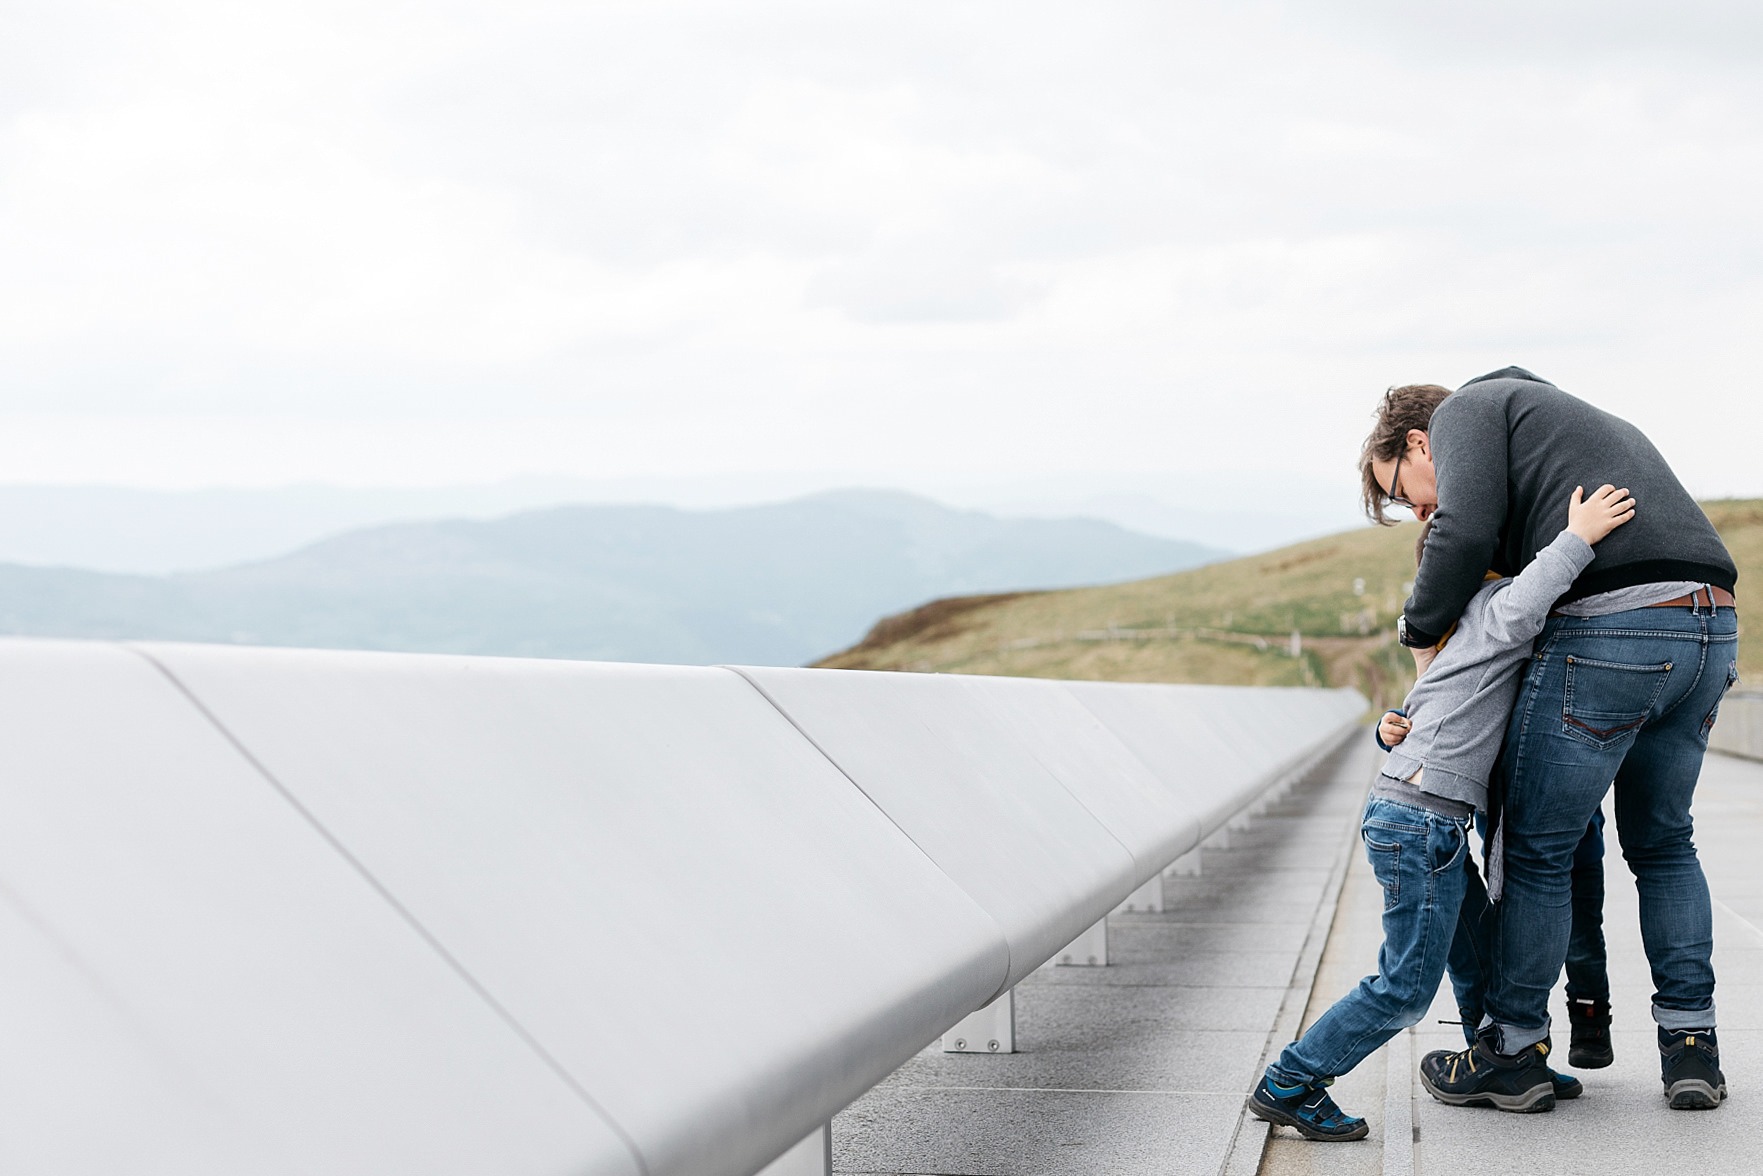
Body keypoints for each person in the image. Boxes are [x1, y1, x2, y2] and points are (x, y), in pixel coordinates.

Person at [1362, 367, 1740, 1112]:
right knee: (1664, 844)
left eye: (1406, 491)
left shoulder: (1467, 409)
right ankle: (1690, 1049)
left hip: (1615, 629)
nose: (1418, 512)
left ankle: (1508, 1050)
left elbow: (1464, 532)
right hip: (1709, 623)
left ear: (1418, 441)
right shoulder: (1557, 419)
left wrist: (1417, 632)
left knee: (1537, 851)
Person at [1246, 484, 1634, 1139]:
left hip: (1425, 821)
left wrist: (1386, 729)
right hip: (1419, 824)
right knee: (1404, 986)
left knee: (1478, 960)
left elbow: (1421, 710)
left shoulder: (1453, 632)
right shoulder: (1487, 609)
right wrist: (1578, 535)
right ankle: (1292, 1079)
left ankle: (1507, 1061)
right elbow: (1526, 600)